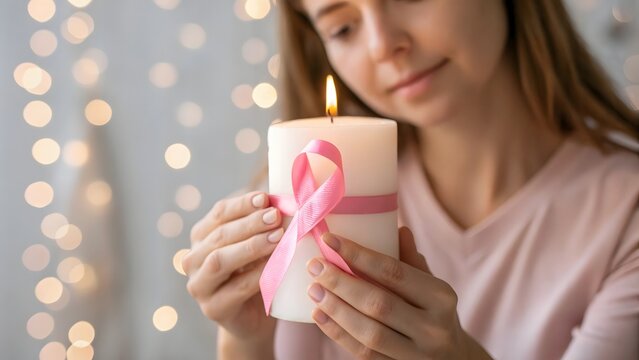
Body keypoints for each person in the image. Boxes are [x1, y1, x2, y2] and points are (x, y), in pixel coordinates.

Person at [182, 0, 639, 358]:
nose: (383, 44)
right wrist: (245, 342)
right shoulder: (304, 202)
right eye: (343, 27)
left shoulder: (624, 214)